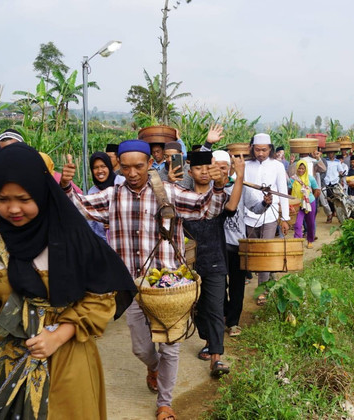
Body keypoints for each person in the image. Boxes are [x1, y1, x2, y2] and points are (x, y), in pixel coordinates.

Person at [59, 139, 228, 420]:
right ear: (119, 167)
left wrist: (219, 187)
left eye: (139, 166)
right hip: (132, 286)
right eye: (126, 167)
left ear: (150, 164)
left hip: (167, 285)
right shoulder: (113, 195)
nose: (133, 173)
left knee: (171, 347)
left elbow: (204, 209)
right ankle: (153, 367)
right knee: (141, 347)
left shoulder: (168, 193)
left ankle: (165, 403)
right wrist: (66, 186)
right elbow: (80, 208)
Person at [0, 143, 136, 420]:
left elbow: (101, 297)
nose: (13, 209)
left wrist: (58, 336)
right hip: (5, 366)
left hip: (67, 361)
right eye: (2, 199)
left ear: (43, 192)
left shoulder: (70, 237)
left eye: (24, 199)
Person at [183, 150, 269, 375]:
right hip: (189, 265)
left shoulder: (217, 196)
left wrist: (239, 176)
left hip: (215, 261)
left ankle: (216, 357)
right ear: (190, 172)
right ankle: (208, 340)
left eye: (207, 168)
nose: (203, 172)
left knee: (213, 308)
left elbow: (231, 207)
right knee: (197, 310)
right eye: (198, 168)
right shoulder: (183, 196)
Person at [244, 134, 290, 303]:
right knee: (257, 253)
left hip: (270, 216)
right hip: (250, 216)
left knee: (265, 251)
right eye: (257, 149)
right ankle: (271, 279)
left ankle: (262, 290)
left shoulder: (277, 166)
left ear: (270, 149)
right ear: (252, 149)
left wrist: (284, 218)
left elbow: (283, 192)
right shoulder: (246, 166)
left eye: (264, 150)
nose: (261, 153)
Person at [87, 152, 126, 242]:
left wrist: (114, 222)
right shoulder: (92, 192)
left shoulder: (122, 183)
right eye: (95, 168)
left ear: (109, 167)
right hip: (103, 243)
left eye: (103, 166)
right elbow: (91, 223)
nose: (100, 170)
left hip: (124, 240)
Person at [289, 159, 320, 249]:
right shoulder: (292, 179)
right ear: (296, 168)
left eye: (303, 169)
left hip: (309, 203)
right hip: (297, 204)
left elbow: (317, 190)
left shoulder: (310, 178)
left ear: (306, 169)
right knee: (297, 224)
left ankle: (310, 240)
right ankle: (297, 241)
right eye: (299, 168)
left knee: (310, 223)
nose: (301, 170)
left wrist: (310, 198)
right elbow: (289, 191)